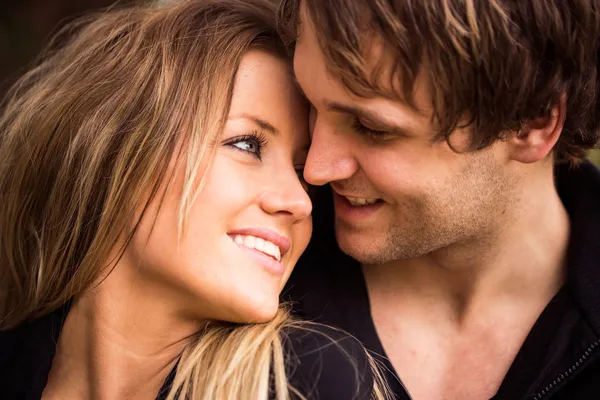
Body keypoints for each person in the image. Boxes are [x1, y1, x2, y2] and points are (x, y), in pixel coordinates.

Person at [0, 1, 389, 399]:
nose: (300, 203)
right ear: (115, 151)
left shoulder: (308, 380)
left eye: (300, 171)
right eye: (247, 144)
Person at [279, 0, 600, 399]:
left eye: (371, 127)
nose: (315, 170)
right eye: (310, 104)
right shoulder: (252, 270)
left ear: (531, 123)